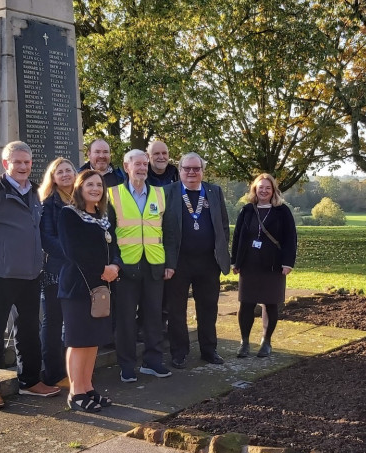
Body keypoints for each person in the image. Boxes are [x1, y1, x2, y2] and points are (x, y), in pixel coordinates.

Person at [0, 141, 61, 410]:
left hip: (31, 276)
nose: (22, 167)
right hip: (0, 276)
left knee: (29, 331)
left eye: (27, 162)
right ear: (6, 164)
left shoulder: (34, 193)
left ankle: (30, 381)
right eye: (16, 162)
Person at [58, 169, 122, 411]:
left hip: (101, 286)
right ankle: (76, 393)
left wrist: (116, 265)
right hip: (77, 286)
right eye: (90, 185)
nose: (95, 189)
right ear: (79, 187)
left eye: (99, 185)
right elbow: (72, 251)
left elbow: (113, 245)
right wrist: (102, 270)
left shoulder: (105, 214)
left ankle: (88, 387)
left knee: (93, 340)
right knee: (78, 341)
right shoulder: (69, 215)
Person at [107, 149, 172, 382]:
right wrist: (113, 263)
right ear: (126, 167)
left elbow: (170, 231)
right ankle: (126, 365)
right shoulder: (111, 195)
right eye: (138, 164)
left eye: (145, 164)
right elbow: (108, 234)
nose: (143, 168)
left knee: (154, 316)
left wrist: (169, 263)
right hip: (125, 266)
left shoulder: (160, 194)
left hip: (154, 264)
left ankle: (153, 362)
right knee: (125, 319)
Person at [162, 153, 231, 367]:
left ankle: (209, 350)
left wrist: (221, 252)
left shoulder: (214, 191)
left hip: (208, 262)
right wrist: (167, 261)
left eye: (196, 168)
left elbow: (223, 225)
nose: (192, 172)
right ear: (179, 170)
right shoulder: (168, 192)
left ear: (202, 170)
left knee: (208, 307)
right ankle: (179, 352)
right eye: (187, 168)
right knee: (176, 309)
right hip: (178, 263)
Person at [230, 173, 297, 358]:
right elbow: (238, 237)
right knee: (246, 303)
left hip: (273, 264)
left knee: (270, 303)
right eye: (261, 188)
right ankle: (244, 342)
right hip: (249, 263)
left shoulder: (282, 211)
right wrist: (235, 260)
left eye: (268, 188)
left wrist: (288, 263)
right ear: (255, 189)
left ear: (273, 190)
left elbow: (291, 238)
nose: (264, 191)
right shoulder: (247, 210)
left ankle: (266, 342)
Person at [37, 157, 76, 386]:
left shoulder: (81, 199)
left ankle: (73, 368)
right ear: (53, 177)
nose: (65, 174)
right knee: (53, 322)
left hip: (78, 270)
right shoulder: (49, 203)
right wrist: (74, 253)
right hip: (56, 270)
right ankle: (54, 372)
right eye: (59, 171)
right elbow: (47, 238)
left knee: (73, 321)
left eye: (68, 170)